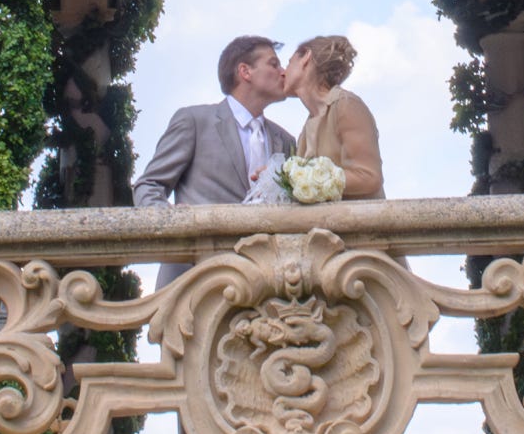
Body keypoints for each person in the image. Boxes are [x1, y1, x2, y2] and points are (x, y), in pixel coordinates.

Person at [133, 33, 298, 287]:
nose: (284, 72)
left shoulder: (286, 141)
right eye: (274, 64)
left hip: (266, 287)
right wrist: (170, 223)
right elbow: (149, 184)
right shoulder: (194, 121)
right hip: (195, 280)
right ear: (245, 71)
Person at [286, 34, 384, 200]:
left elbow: (369, 176)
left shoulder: (346, 105)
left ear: (306, 57)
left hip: (358, 223)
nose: (283, 72)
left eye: (288, 63)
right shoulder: (307, 127)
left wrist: (309, 180)